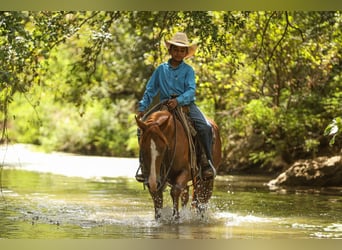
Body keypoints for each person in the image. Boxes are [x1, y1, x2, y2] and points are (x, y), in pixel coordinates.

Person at [135, 32, 215, 182]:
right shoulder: (161, 69)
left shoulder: (188, 70)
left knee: (205, 127)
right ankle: (144, 167)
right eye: (176, 49)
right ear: (170, 50)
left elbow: (191, 91)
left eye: (182, 50)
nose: (178, 53)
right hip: (165, 105)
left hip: (186, 105)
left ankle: (206, 162)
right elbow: (151, 89)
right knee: (142, 129)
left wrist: (178, 100)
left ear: (186, 53)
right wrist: (143, 107)